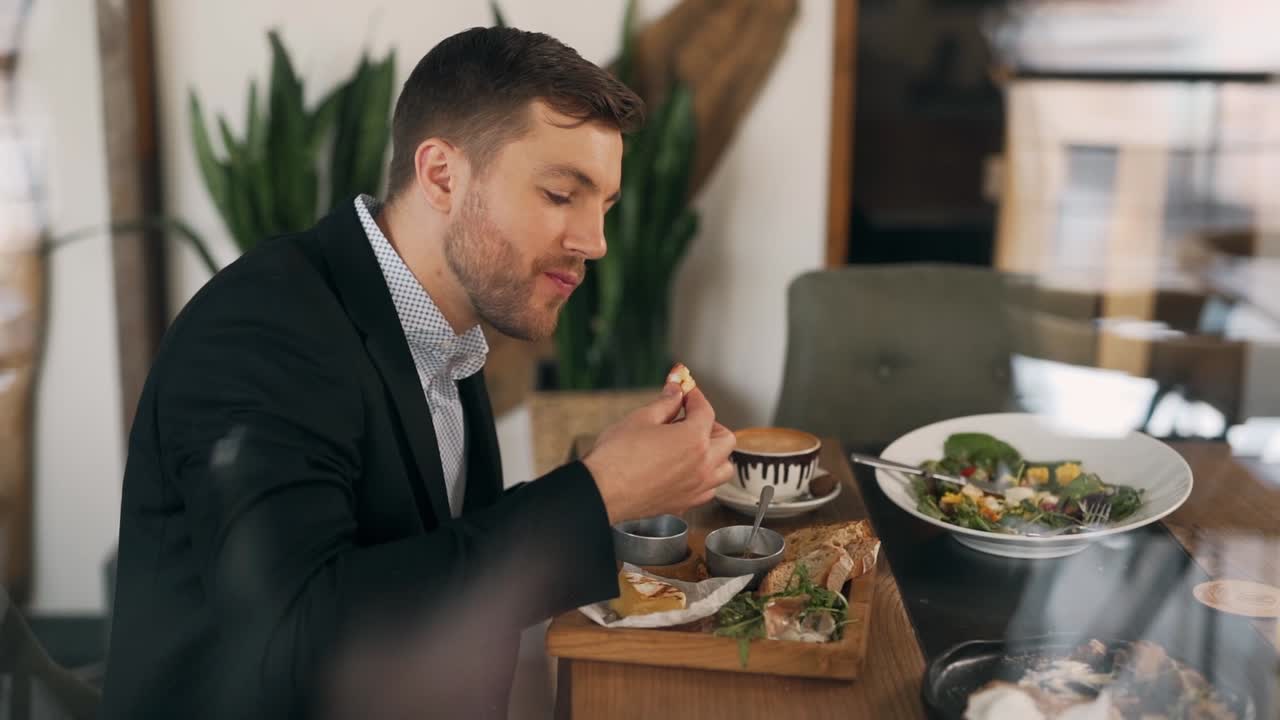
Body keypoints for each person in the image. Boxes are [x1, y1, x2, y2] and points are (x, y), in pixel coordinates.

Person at [100, 25, 735, 719]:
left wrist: (614, 480)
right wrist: (597, 493)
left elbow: (418, 546)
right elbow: (291, 648)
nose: (595, 242)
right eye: (560, 194)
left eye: (604, 208)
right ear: (441, 176)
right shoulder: (262, 331)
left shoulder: (441, 321)